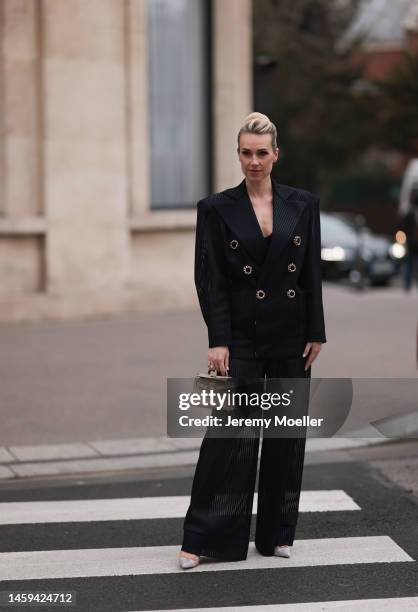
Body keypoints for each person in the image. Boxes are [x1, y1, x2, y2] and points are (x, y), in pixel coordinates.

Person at [178, 112, 326, 569]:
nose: (254, 161)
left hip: (290, 335)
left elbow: (310, 275)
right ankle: (203, 539)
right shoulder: (216, 208)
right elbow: (211, 280)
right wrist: (217, 339)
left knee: (285, 437)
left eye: (262, 153)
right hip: (240, 337)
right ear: (238, 154)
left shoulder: (302, 204)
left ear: (276, 155)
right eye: (246, 153)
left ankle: (277, 533)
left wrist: (316, 330)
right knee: (228, 438)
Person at [400, 184, 418, 292]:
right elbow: (403, 227)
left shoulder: (410, 213)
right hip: (412, 243)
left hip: (412, 242)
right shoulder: (410, 214)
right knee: (409, 263)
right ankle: (407, 284)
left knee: (410, 263)